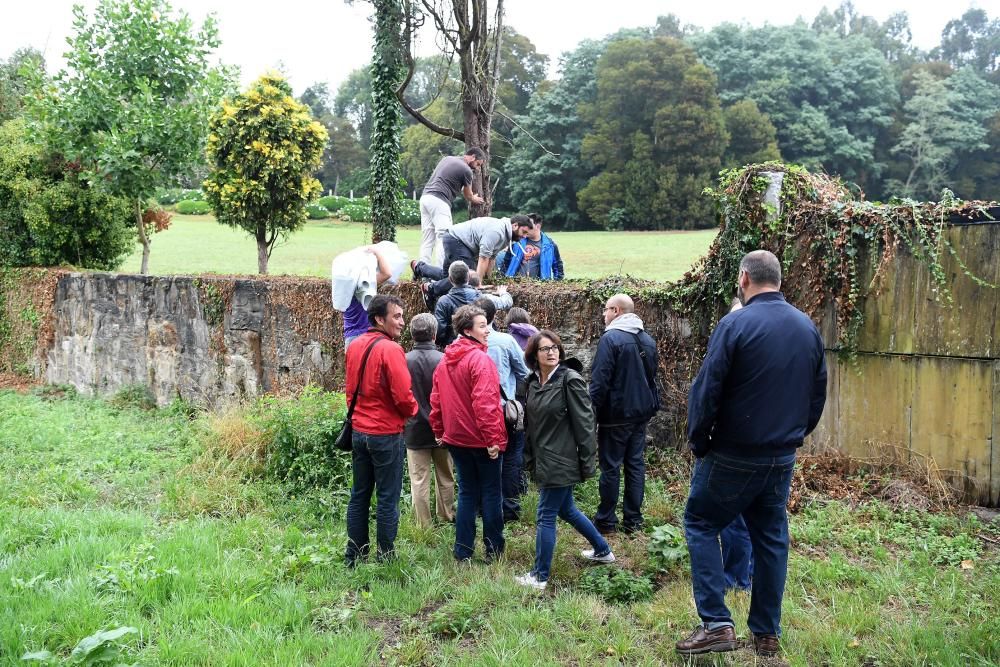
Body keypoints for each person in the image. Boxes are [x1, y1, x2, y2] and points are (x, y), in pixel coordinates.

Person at [676, 250, 827, 658]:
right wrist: (791, 437)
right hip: (781, 456)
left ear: (744, 279)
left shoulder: (735, 323)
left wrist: (699, 441)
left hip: (732, 452)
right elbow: (817, 396)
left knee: (701, 522)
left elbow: (707, 390)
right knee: (772, 538)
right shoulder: (806, 326)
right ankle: (766, 634)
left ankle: (716, 624)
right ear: (778, 279)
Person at [515, 330, 614, 591]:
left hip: (562, 458)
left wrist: (587, 459)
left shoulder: (569, 380)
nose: (552, 352)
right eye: (545, 349)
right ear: (534, 355)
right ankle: (603, 550)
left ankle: (539, 576)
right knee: (566, 509)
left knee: (545, 514)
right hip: (542, 457)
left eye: (555, 347)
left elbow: (584, 422)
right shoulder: (533, 383)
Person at [344, 295, 419, 567]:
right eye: (396, 316)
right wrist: (412, 412)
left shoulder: (354, 346)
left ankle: (355, 554)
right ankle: (386, 555)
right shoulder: (390, 350)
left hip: (359, 430)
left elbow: (350, 389)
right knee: (388, 496)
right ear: (379, 319)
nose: (402, 322)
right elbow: (403, 395)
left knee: (360, 493)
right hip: (385, 433)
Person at [429, 304, 507, 562]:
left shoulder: (445, 361)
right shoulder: (479, 359)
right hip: (480, 440)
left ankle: (463, 551)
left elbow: (436, 400)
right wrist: (493, 439)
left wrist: (439, 430)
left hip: (456, 439)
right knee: (491, 493)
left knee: (467, 493)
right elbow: (486, 404)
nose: (488, 330)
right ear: (467, 330)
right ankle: (494, 551)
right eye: (483, 326)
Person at [589, 293, 660, 535]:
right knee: (635, 465)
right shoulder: (647, 339)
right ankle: (633, 521)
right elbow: (652, 379)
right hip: (640, 414)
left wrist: (591, 413)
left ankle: (606, 521)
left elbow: (600, 380)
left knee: (610, 467)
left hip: (616, 414)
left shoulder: (611, 339)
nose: (603, 314)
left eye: (606, 309)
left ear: (617, 311)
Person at [474, 298, 529, 523]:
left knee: (481, 460)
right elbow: (525, 372)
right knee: (511, 459)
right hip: (505, 409)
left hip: (477, 411)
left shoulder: (459, 343)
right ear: (493, 316)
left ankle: (483, 506)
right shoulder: (505, 341)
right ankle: (509, 507)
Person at [403, 313, 454, 527]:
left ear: (413, 335)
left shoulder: (404, 360)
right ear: (434, 334)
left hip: (414, 428)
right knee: (446, 475)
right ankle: (446, 515)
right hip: (442, 427)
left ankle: (423, 524)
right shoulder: (444, 360)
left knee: (418, 479)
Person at [413, 215, 535, 303]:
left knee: (446, 275)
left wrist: (489, 279)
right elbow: (483, 258)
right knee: (466, 277)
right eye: (523, 232)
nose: (524, 237)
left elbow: (491, 258)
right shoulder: (497, 231)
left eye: (526, 235)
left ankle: (419, 267)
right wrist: (478, 284)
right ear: (515, 226)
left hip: (454, 239)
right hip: (456, 240)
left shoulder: (506, 235)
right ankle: (430, 289)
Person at [419, 148, 485, 265]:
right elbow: (468, 195)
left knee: (428, 239)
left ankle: (422, 272)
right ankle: (440, 273)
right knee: (444, 237)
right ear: (473, 157)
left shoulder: (447, 159)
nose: (477, 167)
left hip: (425, 198)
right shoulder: (466, 170)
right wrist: (475, 198)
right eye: (478, 164)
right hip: (439, 201)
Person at [341, 244, 393, 351]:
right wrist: (377, 252)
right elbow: (387, 273)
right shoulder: (363, 285)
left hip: (350, 338)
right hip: (366, 337)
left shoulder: (343, 288)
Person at [498, 212, 565, 280]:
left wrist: (556, 284)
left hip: (538, 286)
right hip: (514, 284)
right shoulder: (516, 242)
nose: (526, 227)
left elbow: (558, 267)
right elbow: (505, 263)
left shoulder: (550, 245)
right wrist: (502, 280)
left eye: (530, 226)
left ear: (538, 226)